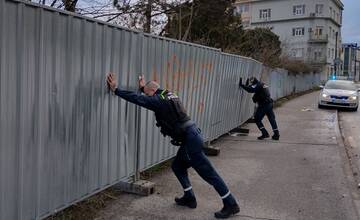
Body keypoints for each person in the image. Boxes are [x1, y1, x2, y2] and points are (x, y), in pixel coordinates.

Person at [106, 73, 240, 219]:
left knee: (209, 173)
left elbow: (139, 99)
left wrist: (116, 90)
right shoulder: (169, 94)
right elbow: (148, 95)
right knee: (177, 166)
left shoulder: (158, 100)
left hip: (190, 141)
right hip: (192, 136)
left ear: (151, 92)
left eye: (147, 93)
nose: (147, 96)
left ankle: (231, 204)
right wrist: (143, 87)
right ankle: (189, 197)